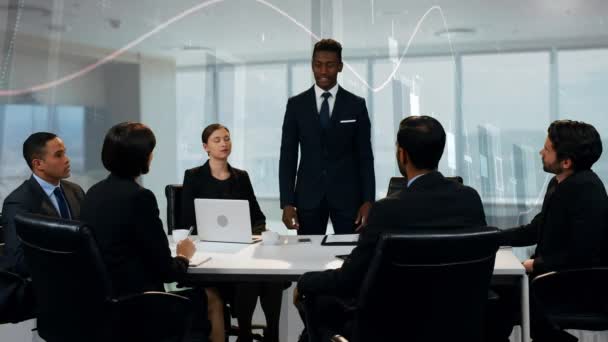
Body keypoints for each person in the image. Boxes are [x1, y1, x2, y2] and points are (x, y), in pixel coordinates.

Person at [293, 115, 487, 341]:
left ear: (402, 154)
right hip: (453, 328)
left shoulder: (387, 210)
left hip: (390, 330)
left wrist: (305, 281)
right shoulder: (470, 200)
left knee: (318, 302)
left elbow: (348, 280)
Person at [79, 122, 224, 342]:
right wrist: (184, 255)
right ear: (141, 157)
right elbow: (167, 272)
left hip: (100, 306)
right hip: (141, 306)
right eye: (150, 151)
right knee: (212, 298)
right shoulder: (139, 197)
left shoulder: (92, 193)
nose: (152, 156)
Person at [487, 120, 608, 342]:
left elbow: (582, 253)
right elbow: (535, 229)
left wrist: (535, 264)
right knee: (495, 298)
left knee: (496, 298)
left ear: (566, 161)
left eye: (547, 149)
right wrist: (490, 237)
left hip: (572, 283)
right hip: (551, 275)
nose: (541, 152)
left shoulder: (586, 190)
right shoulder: (560, 183)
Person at [182, 124, 283, 342]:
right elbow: (188, 220)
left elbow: (257, 216)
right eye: (217, 140)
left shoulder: (241, 177)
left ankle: (273, 334)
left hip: (243, 250)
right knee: (247, 279)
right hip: (211, 255)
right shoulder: (194, 177)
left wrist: (257, 234)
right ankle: (245, 334)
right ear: (205, 147)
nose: (223, 144)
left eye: (227, 139)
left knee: (273, 278)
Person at [279, 38, 375, 235]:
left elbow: (365, 156)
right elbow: (287, 156)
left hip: (349, 198)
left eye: (330, 65)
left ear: (340, 66)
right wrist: (287, 202)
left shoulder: (356, 105)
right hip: (308, 197)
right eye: (318, 65)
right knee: (307, 257)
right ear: (312, 65)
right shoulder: (296, 105)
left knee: (350, 256)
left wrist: (368, 200)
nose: (323, 71)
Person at [1, 132, 85, 322]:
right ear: (38, 164)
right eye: (59, 155)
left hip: (82, 288)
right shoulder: (18, 203)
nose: (67, 159)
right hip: (46, 295)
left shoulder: (75, 191)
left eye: (65, 153)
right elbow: (18, 260)